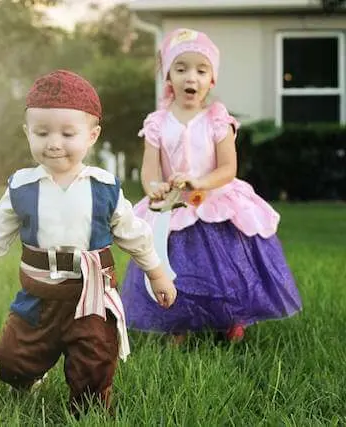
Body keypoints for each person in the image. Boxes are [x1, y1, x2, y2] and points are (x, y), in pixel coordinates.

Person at [0, 69, 177, 415]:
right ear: (28, 132)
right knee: (12, 361)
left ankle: (88, 408)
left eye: (67, 133)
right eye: (42, 132)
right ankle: (28, 376)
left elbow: (135, 235)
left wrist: (157, 273)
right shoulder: (23, 187)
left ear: (92, 135)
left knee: (94, 362)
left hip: (91, 296)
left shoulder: (104, 187)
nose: (54, 142)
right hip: (39, 297)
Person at [120, 28, 302, 344]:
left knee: (225, 267)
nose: (191, 77)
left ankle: (231, 317)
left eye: (201, 70)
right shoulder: (158, 123)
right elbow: (151, 168)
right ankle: (178, 320)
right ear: (168, 77)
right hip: (175, 205)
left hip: (215, 199)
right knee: (175, 264)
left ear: (211, 80)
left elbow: (228, 168)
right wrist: (155, 188)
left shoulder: (217, 119)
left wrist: (200, 181)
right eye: (181, 68)